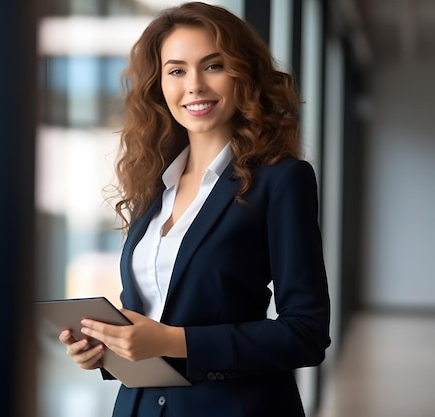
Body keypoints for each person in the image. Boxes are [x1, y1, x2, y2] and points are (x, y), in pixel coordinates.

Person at [58, 2, 331, 416]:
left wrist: (173, 341)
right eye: (177, 70)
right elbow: (151, 318)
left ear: (243, 74)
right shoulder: (154, 184)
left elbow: (306, 333)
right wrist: (104, 352)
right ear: (159, 84)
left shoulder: (281, 180)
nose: (195, 86)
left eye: (213, 66)